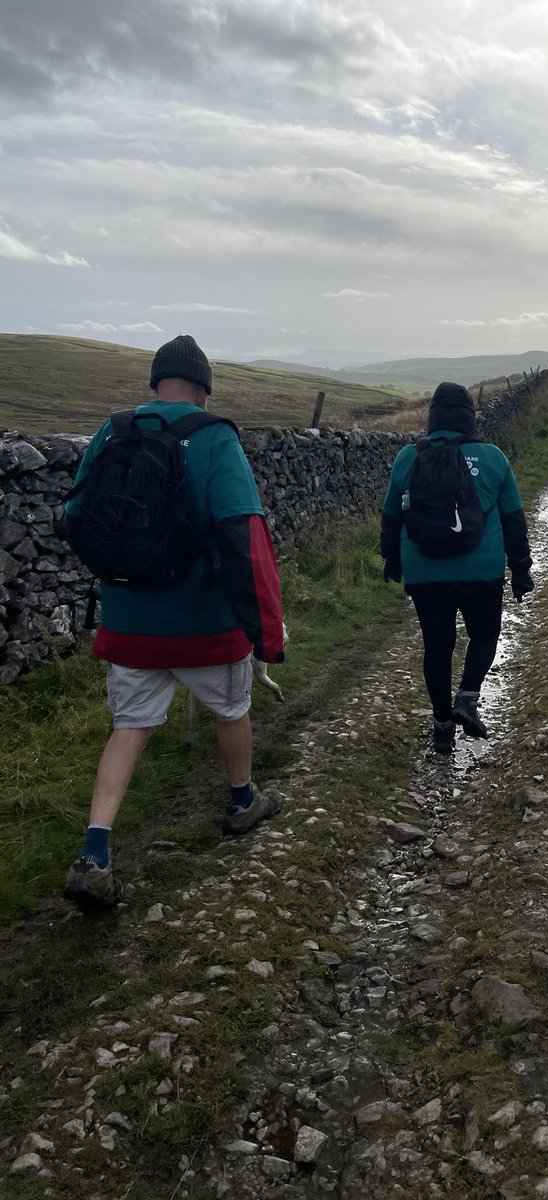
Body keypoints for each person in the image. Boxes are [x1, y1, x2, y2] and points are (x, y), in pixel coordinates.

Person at [62, 335, 285, 909]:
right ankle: (241, 801)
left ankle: (95, 853)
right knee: (232, 710)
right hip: (202, 625)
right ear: (205, 388)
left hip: (129, 623)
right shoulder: (213, 437)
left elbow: (74, 517)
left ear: (156, 383)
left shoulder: (113, 431)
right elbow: (245, 537)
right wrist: (266, 632)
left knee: (129, 727)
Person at [381, 382, 534, 753]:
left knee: (437, 645)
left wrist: (393, 559)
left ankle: (441, 725)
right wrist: (521, 568)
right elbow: (513, 520)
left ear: (432, 417)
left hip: (425, 570)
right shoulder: (493, 458)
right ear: (469, 417)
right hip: (481, 572)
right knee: (484, 635)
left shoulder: (407, 458)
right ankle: (467, 696)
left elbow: (390, 517)